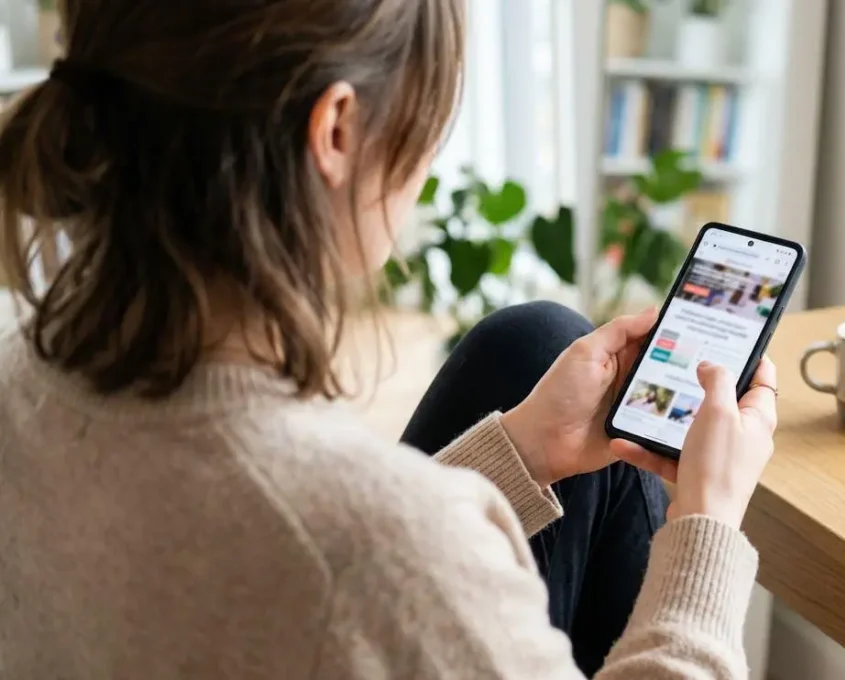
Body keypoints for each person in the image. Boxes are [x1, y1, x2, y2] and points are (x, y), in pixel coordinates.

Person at [0, 1, 780, 678]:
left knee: (533, 341)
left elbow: (292, 572)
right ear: (336, 128)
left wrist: (518, 453)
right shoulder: (380, 549)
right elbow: (349, 557)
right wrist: (706, 523)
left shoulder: (20, 373)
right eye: (431, 119)